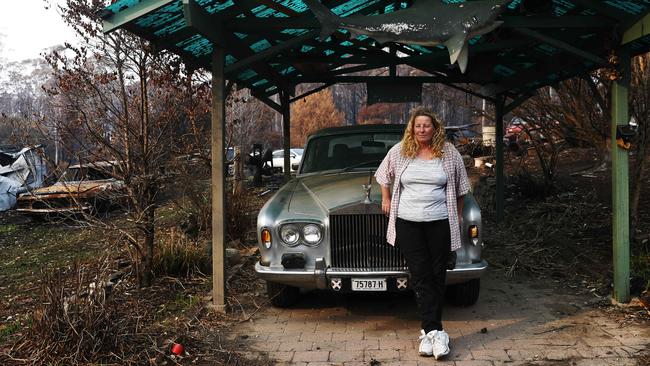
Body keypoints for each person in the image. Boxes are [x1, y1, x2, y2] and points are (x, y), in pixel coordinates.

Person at [375, 107, 470, 359]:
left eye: (426, 125)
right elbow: (383, 174)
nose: (422, 130)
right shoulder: (400, 151)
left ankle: (432, 333)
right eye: (417, 126)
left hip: (439, 222)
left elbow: (462, 187)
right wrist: (385, 197)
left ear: (434, 127)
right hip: (408, 223)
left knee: (437, 273)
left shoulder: (449, 153)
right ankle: (433, 331)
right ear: (412, 128)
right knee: (420, 274)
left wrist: (457, 214)